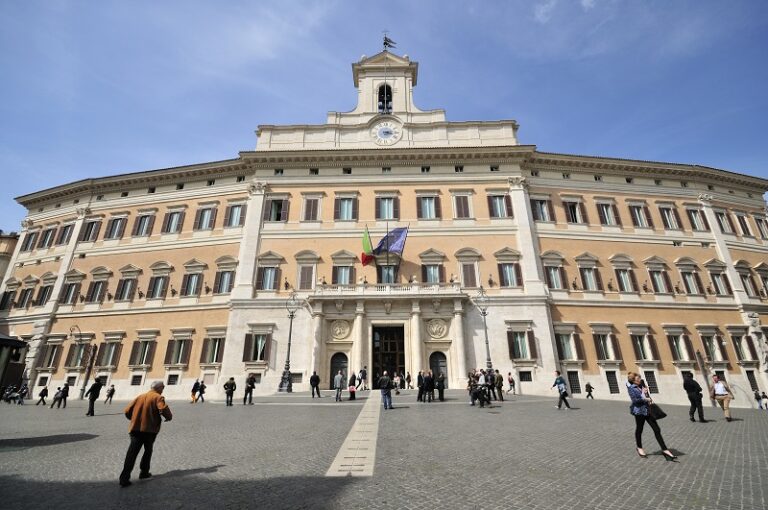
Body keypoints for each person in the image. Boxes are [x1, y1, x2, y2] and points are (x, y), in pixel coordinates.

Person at [119, 381, 173, 487]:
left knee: (131, 453)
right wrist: (168, 417)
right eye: (163, 387)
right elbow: (162, 408)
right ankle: (144, 473)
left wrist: (134, 419)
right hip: (149, 430)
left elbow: (127, 410)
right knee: (148, 451)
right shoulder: (158, 397)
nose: (163, 389)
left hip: (135, 429)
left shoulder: (140, 396)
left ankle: (124, 478)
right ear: (158, 388)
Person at [627, 372, 676, 461]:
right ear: (633, 380)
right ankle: (639, 447)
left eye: (640, 378)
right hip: (639, 411)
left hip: (648, 410)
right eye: (638, 379)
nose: (640, 380)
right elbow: (635, 401)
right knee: (639, 429)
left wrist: (646, 393)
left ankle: (665, 450)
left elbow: (647, 396)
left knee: (657, 429)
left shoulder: (641, 385)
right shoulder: (631, 388)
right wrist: (644, 396)